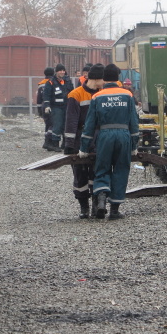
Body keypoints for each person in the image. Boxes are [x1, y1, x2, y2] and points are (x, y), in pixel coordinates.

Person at [79, 64, 139, 219]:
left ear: (104, 78)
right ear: (118, 78)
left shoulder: (97, 96)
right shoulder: (127, 95)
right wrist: (134, 144)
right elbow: (134, 121)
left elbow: (90, 124)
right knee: (121, 169)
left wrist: (84, 147)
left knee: (102, 168)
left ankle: (100, 200)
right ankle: (114, 210)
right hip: (123, 135)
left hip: (105, 135)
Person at [64, 64, 104, 218]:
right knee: (80, 175)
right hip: (79, 141)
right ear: (97, 79)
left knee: (96, 173)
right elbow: (71, 121)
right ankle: (83, 207)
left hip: (98, 140)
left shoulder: (102, 93)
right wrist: (69, 144)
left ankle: (95, 205)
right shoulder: (76, 95)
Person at [42, 63, 73, 151]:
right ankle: (55, 144)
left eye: (63, 70)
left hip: (66, 106)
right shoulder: (51, 82)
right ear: (56, 72)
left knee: (65, 125)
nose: (62, 72)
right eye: (60, 71)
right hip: (56, 107)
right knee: (57, 125)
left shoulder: (67, 81)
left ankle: (64, 144)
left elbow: (72, 92)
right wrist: (47, 106)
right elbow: (46, 95)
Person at [36, 67, 55, 150]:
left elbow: (39, 99)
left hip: (44, 106)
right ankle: (48, 142)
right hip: (52, 105)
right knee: (52, 124)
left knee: (47, 124)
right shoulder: (53, 82)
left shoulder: (41, 84)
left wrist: (39, 110)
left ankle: (47, 141)